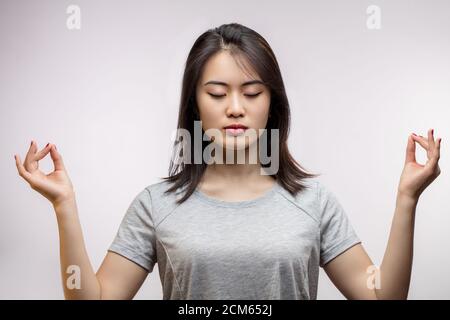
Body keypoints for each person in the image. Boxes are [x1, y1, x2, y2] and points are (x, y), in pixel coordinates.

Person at [14, 23, 442, 300]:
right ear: (195, 105)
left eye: (252, 93)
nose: (235, 107)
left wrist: (407, 198)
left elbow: (382, 297)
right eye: (217, 93)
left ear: (272, 105)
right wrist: (63, 206)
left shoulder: (314, 202)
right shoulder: (155, 204)